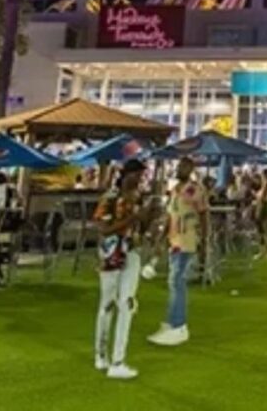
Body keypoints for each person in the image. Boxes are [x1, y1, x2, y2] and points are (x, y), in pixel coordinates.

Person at [93, 159, 151, 379]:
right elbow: (104, 229)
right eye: (138, 175)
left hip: (132, 251)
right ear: (128, 175)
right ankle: (101, 354)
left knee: (126, 303)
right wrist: (133, 218)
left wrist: (146, 219)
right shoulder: (110, 198)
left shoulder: (139, 198)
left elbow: (140, 227)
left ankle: (118, 360)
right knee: (107, 304)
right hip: (111, 253)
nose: (141, 179)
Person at [148, 156, 207, 348]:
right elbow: (170, 217)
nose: (180, 169)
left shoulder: (194, 189)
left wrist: (205, 240)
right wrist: (160, 240)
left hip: (187, 239)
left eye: (184, 166)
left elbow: (204, 213)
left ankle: (179, 325)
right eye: (179, 165)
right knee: (174, 280)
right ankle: (172, 321)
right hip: (174, 240)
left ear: (191, 169)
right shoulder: (175, 190)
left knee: (177, 280)